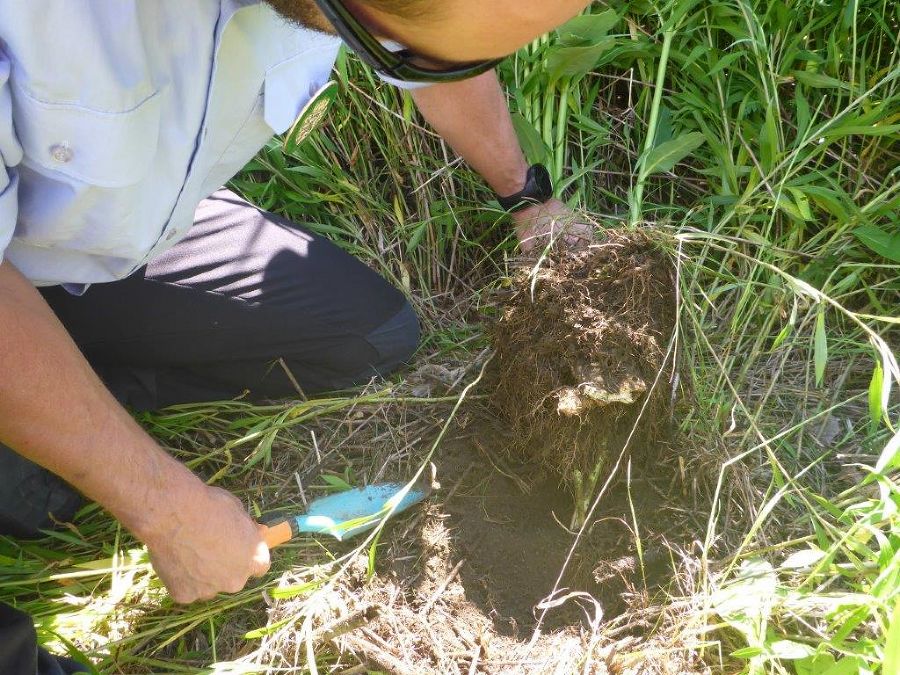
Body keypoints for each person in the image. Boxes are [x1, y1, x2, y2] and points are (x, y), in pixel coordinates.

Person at [0, 4, 592, 665]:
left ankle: (55, 391)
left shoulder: (368, 12)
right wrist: (162, 503)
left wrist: (529, 202)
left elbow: (434, 48)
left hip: (95, 241)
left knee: (367, 336)